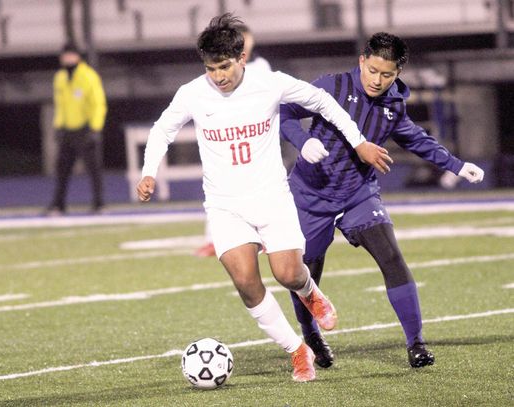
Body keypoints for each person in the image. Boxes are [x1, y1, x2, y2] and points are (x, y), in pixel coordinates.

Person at [137, 14, 392, 382]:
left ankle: (309, 291)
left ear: (242, 57)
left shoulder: (270, 84)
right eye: (211, 69)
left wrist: (359, 142)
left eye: (224, 66)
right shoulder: (193, 93)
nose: (218, 76)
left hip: (271, 196)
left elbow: (323, 103)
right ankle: (296, 350)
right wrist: (149, 171)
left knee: (287, 274)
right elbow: (163, 130)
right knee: (246, 282)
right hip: (225, 205)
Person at [280, 32, 485, 370]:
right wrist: (302, 143)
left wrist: (457, 165)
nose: (377, 80)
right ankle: (312, 336)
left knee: (391, 256)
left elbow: (417, 139)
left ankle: (416, 342)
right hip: (311, 192)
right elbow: (286, 112)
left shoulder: (393, 104)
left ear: (398, 73)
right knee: (305, 273)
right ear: (362, 61)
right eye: (372, 70)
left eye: (386, 74)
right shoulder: (331, 86)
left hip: (358, 193)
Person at [194, 23, 272, 257]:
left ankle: (266, 235)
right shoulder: (221, 67)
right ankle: (214, 239)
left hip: (254, 136)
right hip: (229, 135)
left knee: (261, 186)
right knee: (219, 187)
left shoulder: (261, 66)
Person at [46, 42, 107, 216]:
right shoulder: (60, 77)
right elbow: (60, 105)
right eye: (64, 55)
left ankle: (99, 204)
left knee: (94, 169)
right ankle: (59, 204)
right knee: (62, 170)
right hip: (67, 130)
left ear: (77, 56)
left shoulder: (88, 76)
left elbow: (98, 104)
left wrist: (95, 128)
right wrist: (58, 126)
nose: (67, 58)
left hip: (85, 129)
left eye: (70, 54)